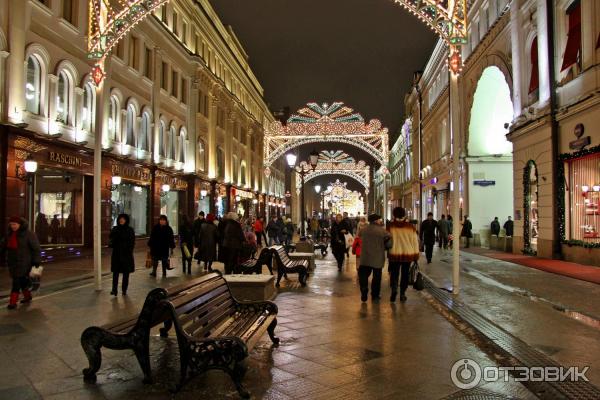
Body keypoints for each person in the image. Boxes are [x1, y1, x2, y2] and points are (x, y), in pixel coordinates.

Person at [1, 217, 41, 309]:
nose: (13, 226)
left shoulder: (29, 234)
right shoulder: (9, 234)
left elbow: (36, 249)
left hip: (25, 262)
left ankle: (12, 302)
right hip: (12, 263)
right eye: (11, 224)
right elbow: (3, 246)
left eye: (15, 224)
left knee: (16, 282)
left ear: (20, 224)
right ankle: (27, 296)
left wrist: (36, 261)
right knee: (22, 281)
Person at [387, 207, 420, 302]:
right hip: (407, 254)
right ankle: (402, 294)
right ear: (404, 215)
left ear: (394, 215)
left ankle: (394, 289)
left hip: (394, 253)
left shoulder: (390, 226)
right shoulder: (410, 227)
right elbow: (415, 242)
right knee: (405, 274)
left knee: (394, 273)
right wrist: (416, 255)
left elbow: (387, 240)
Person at [357, 214, 392, 302]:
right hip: (377, 257)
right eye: (379, 220)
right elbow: (389, 244)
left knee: (363, 275)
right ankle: (375, 295)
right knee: (377, 277)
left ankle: (364, 290)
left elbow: (359, 235)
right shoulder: (383, 231)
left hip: (365, 257)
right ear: (376, 221)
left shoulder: (363, 230)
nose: (380, 221)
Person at [109, 214, 135, 296]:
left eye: (123, 219)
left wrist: (129, 250)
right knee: (115, 273)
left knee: (126, 274)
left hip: (126, 255)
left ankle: (124, 290)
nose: (121, 220)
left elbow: (132, 242)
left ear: (126, 220)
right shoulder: (115, 229)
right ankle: (114, 290)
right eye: (120, 219)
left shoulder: (130, 230)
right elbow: (111, 239)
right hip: (116, 254)